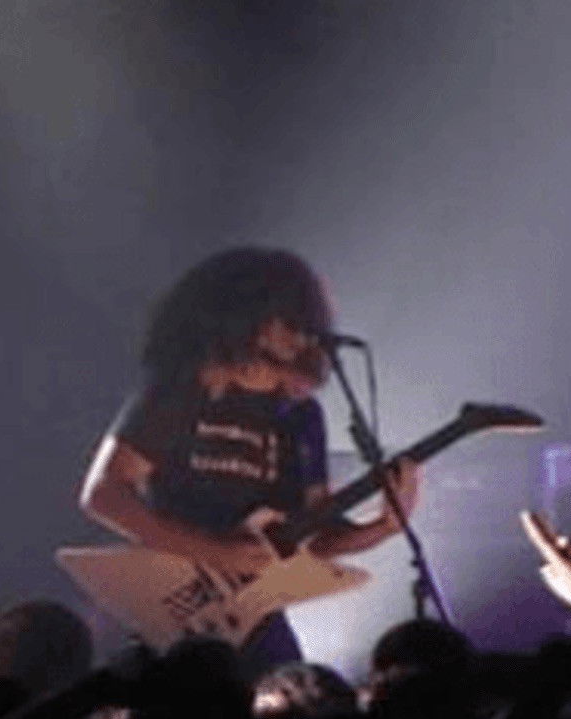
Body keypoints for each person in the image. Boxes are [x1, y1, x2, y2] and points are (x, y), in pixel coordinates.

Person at [78, 247, 421, 672]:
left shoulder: (301, 416)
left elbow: (316, 537)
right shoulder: (181, 391)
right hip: (173, 609)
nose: (301, 333)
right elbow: (104, 495)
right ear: (250, 319)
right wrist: (216, 552)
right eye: (288, 318)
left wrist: (384, 525)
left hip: (257, 616)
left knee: (294, 700)